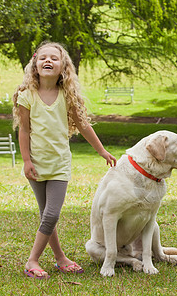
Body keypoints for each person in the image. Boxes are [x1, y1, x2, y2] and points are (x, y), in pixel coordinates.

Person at [13, 41, 117, 279]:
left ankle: (33, 260)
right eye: (43, 58)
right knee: (46, 215)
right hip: (37, 165)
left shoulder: (67, 96)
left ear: (63, 67)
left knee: (51, 214)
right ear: (35, 64)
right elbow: (24, 131)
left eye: (54, 58)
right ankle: (59, 258)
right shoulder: (26, 96)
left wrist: (101, 151)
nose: (48, 61)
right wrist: (27, 161)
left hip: (59, 165)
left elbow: (83, 125)